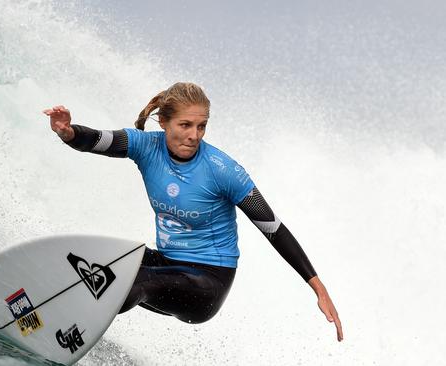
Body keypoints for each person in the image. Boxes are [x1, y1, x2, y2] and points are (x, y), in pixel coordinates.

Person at [43, 82, 343, 341]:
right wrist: (68, 132)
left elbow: (273, 228)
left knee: (128, 282)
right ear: (163, 122)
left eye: (201, 126)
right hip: (167, 263)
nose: (194, 135)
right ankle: (42, 313)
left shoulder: (224, 171)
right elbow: (97, 140)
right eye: (185, 125)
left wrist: (318, 287)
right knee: (89, 260)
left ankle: (67, 333)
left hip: (207, 285)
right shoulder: (146, 146)